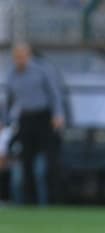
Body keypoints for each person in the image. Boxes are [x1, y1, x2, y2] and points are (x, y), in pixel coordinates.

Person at [5, 42, 65, 205]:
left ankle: (54, 201)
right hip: (26, 118)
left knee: (51, 162)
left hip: (45, 118)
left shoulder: (42, 70)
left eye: (22, 56)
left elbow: (54, 93)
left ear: (29, 55)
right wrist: (6, 120)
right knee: (26, 162)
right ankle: (29, 202)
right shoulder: (11, 74)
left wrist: (58, 115)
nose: (20, 60)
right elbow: (10, 100)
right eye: (17, 57)